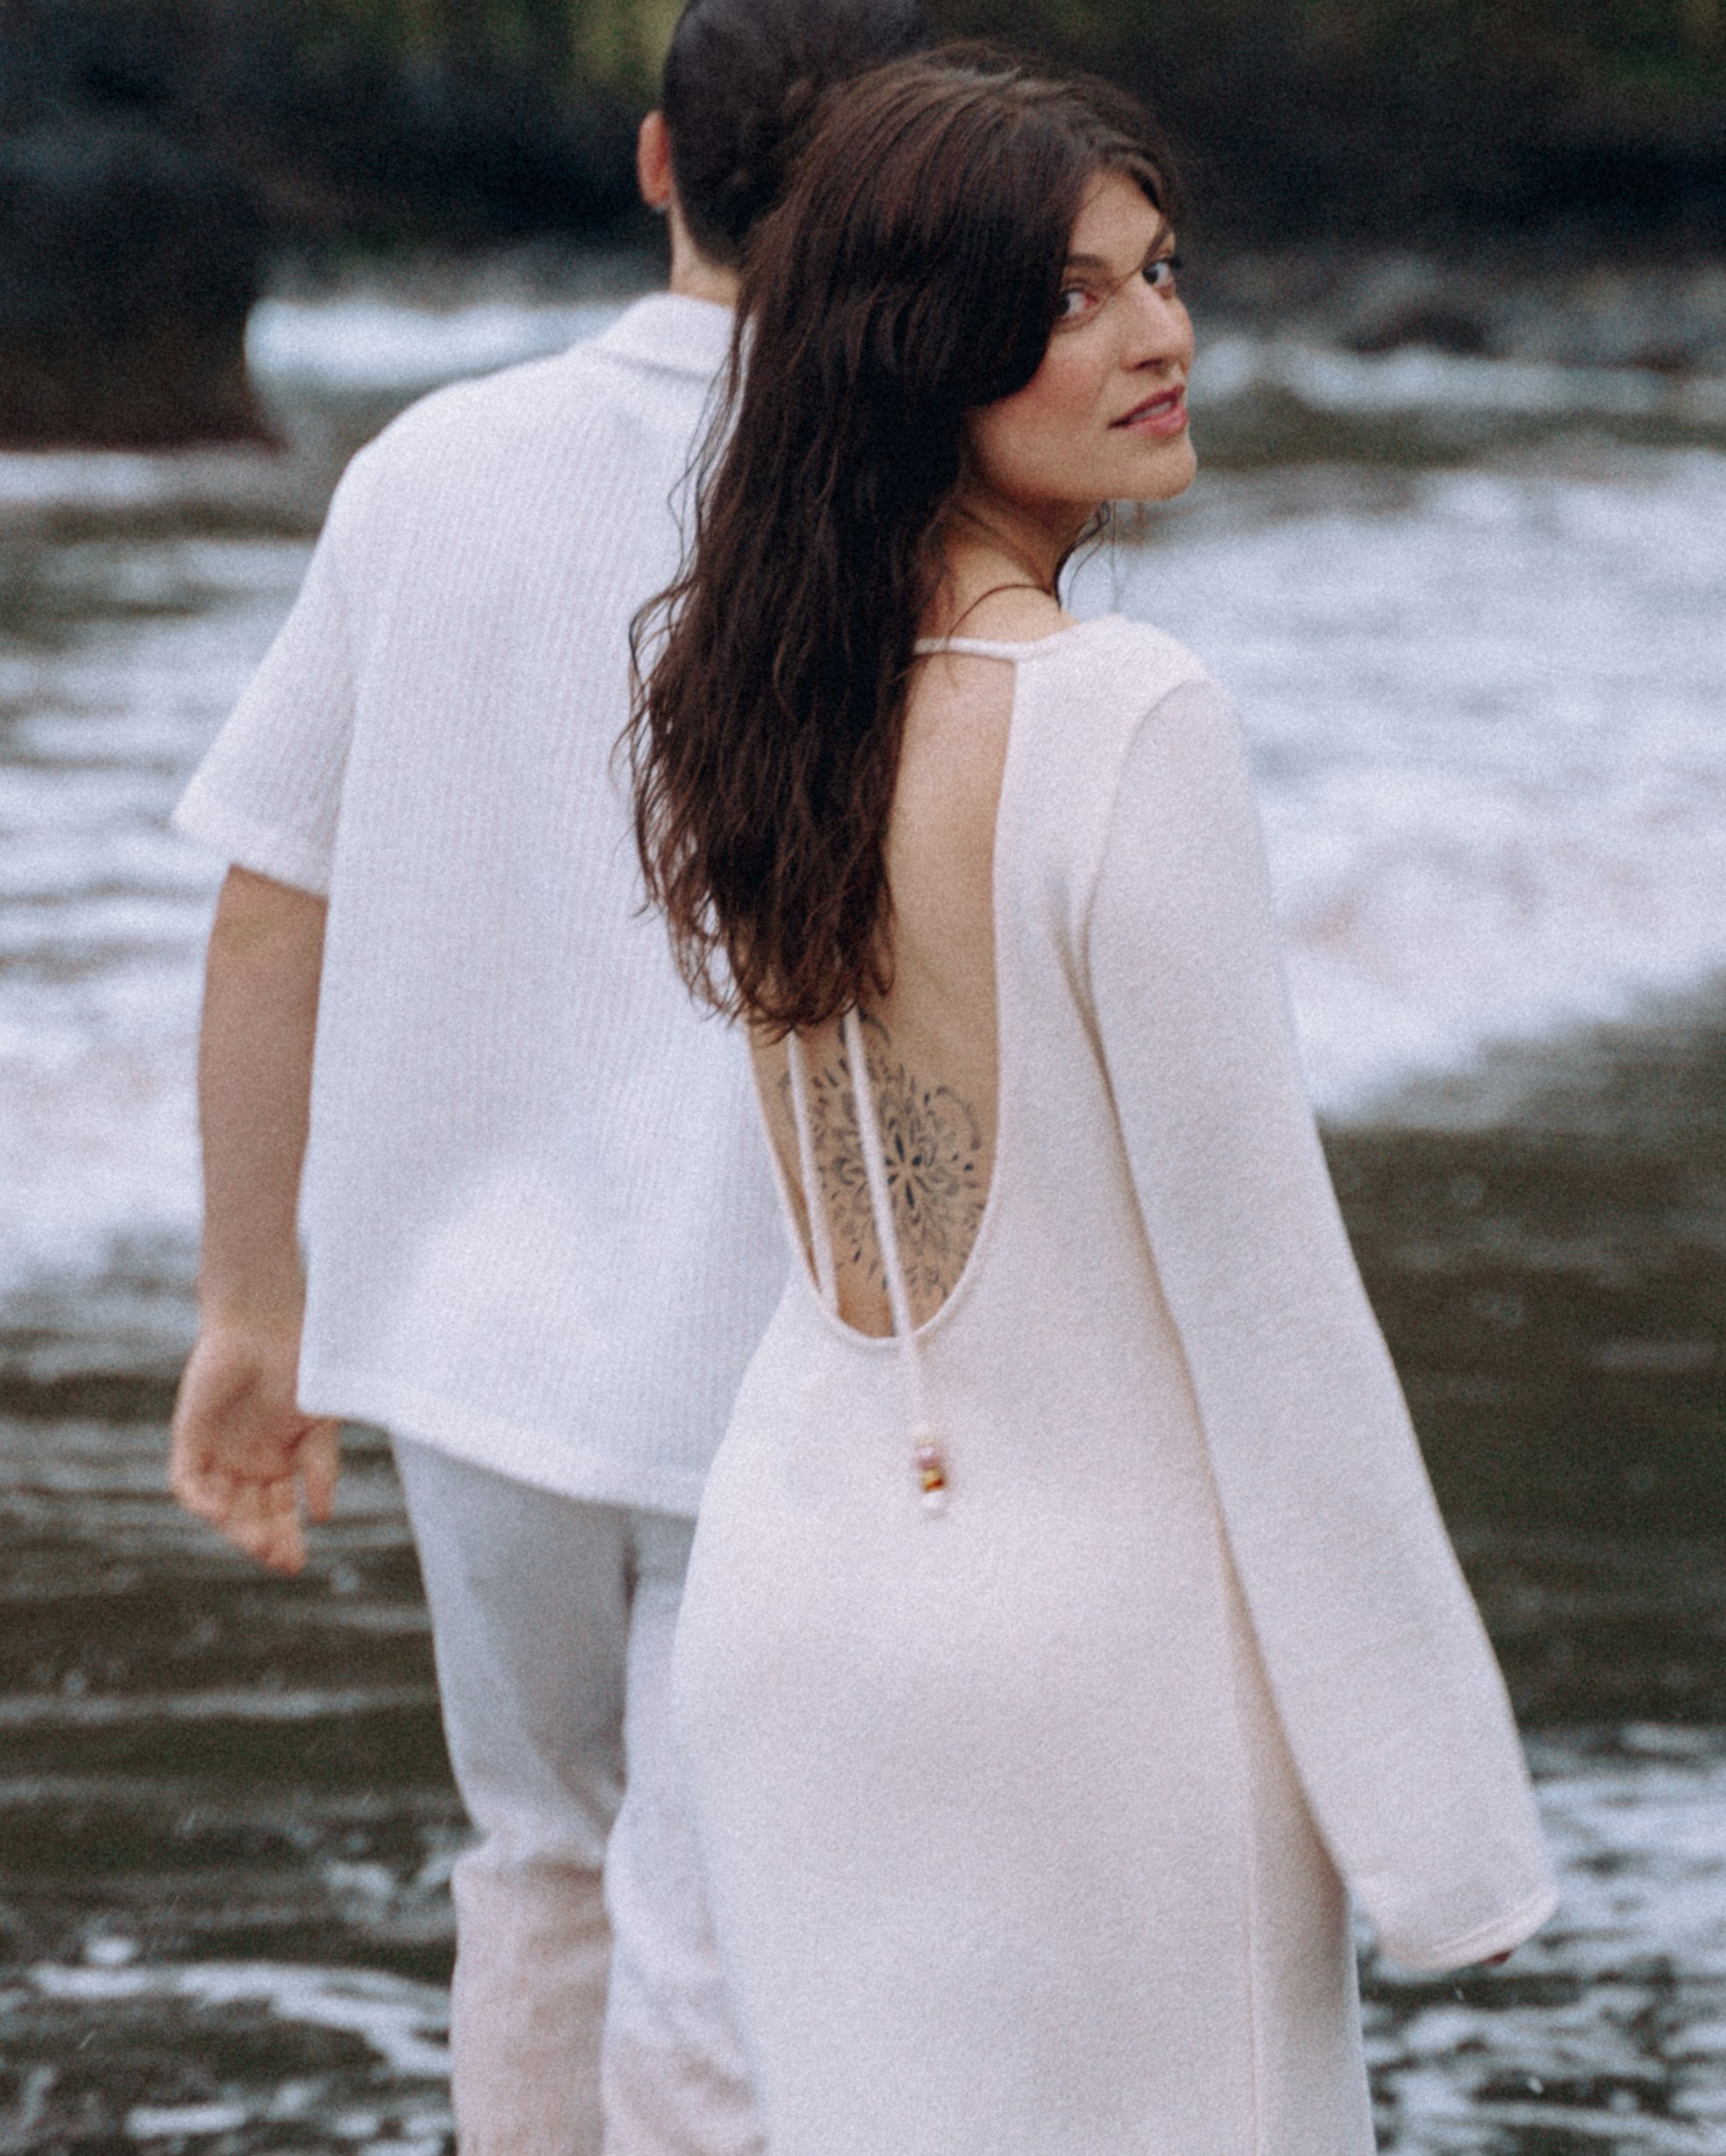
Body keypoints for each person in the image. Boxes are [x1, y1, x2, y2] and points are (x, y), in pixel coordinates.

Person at [630, 48, 1558, 2153]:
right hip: (1095, 1675)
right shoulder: (1121, 716)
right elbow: (1267, 1308)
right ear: (915, 345)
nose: (1159, 336)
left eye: (1158, 271)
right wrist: (1447, 1843)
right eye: (1071, 297)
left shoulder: (754, 700)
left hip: (792, 1615)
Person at [165, 4, 928, 2152]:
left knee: (537, 1858)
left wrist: (251, 1302)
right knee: (724, 1920)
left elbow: (268, 906)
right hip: (782, 1333)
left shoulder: (430, 465)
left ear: (657, 158)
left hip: (466, 1333)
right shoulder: (905, 493)